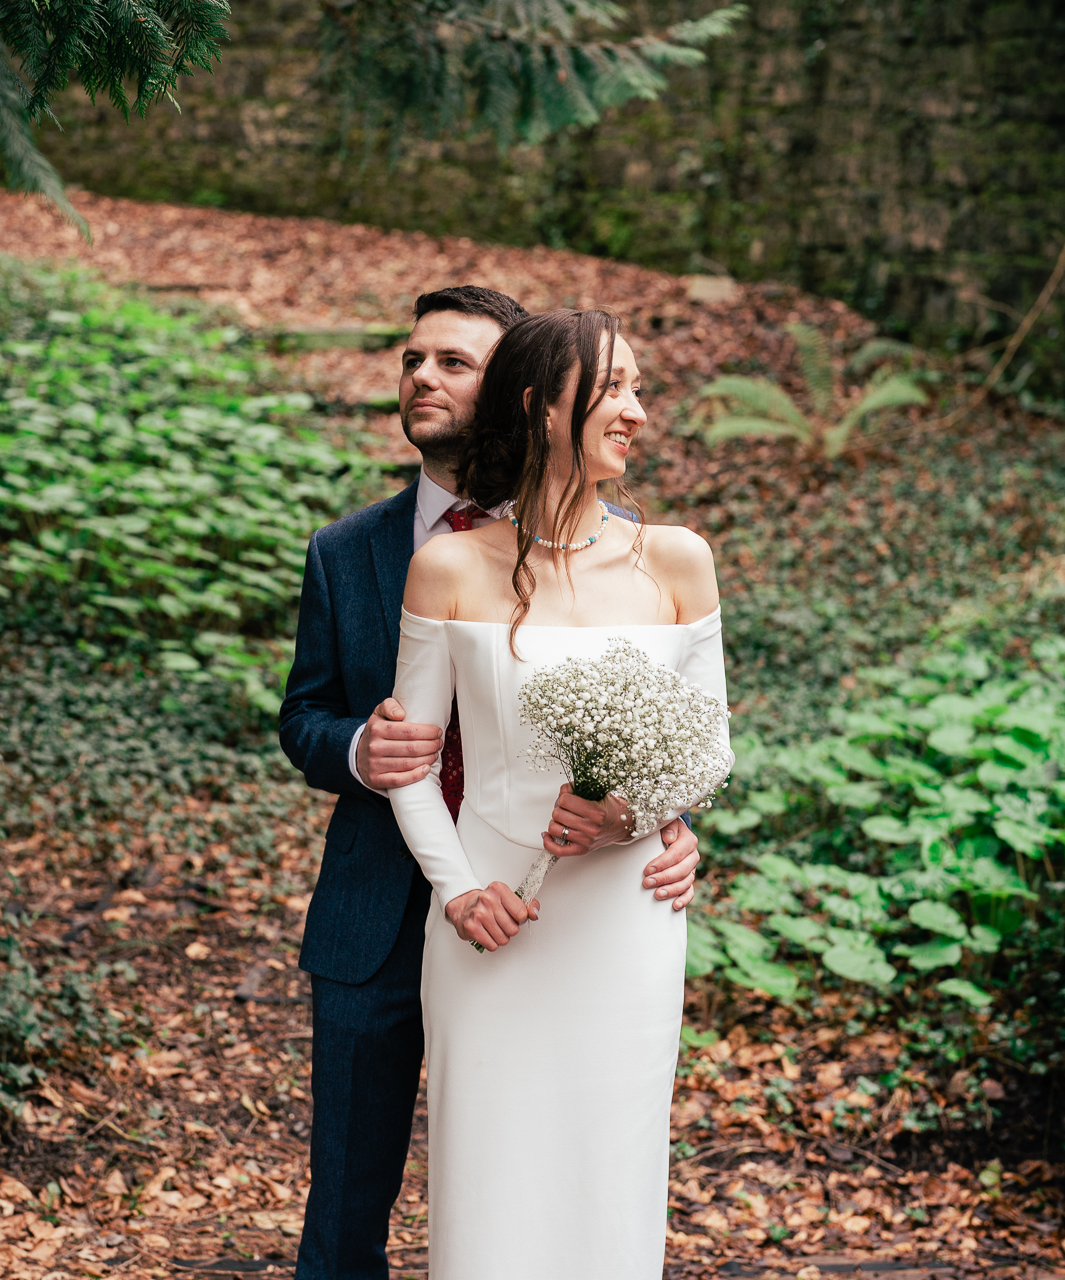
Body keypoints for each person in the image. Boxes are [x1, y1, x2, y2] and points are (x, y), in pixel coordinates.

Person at [279, 286, 703, 1280]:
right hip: (380, 904)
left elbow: (657, 724)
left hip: (563, 915)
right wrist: (354, 748)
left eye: (454, 363)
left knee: (551, 1168)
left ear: (523, 390)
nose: (424, 377)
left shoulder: (627, 544)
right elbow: (303, 714)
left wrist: (662, 817)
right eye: (412, 359)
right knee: (344, 1197)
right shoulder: (348, 551)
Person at [388, 307, 725, 1277]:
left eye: (636, 389)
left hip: (626, 922)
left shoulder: (677, 560)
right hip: (490, 921)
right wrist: (457, 888)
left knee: (609, 1168)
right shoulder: (448, 566)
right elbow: (411, 762)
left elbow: (707, 746)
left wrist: (633, 816)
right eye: (615, 388)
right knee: (490, 1177)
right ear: (541, 405)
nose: (639, 412)